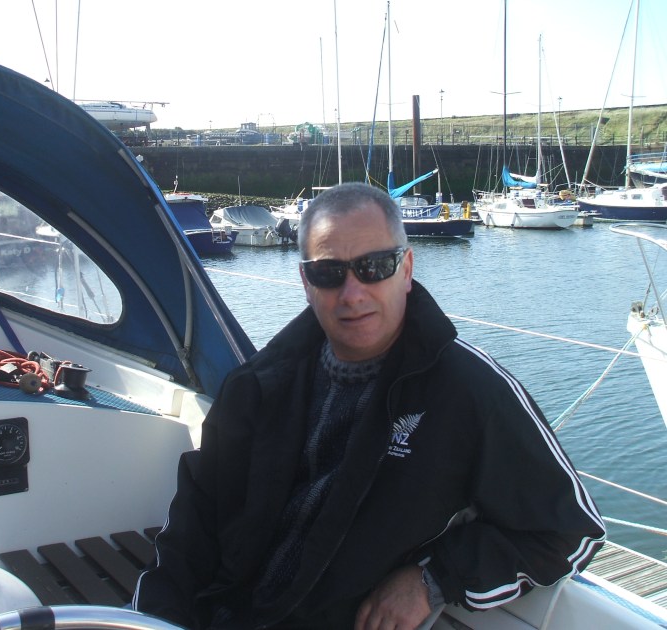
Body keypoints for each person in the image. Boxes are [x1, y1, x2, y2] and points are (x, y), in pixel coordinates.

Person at [134, 182, 605, 629]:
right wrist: (154, 618)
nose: (353, 293)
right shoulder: (258, 384)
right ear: (306, 282)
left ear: (407, 269)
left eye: (375, 266)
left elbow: (570, 532)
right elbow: (192, 529)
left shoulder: (469, 392)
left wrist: (433, 579)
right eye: (329, 273)